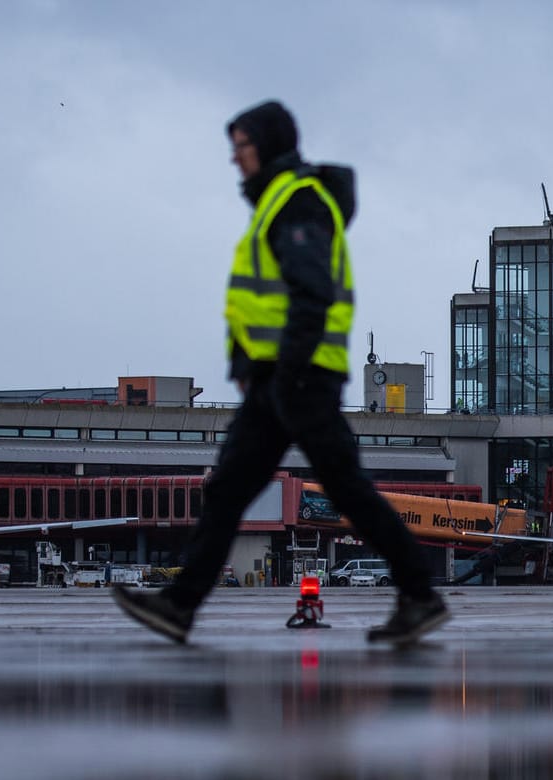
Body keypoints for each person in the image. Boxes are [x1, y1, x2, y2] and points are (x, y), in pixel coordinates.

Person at [112, 100, 448, 645]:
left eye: (240, 147)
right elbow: (262, 304)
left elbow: (311, 294)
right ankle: (178, 605)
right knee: (229, 491)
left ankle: (420, 594)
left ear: (265, 146)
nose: (234, 160)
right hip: (277, 380)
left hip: (300, 378)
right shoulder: (277, 204)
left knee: (345, 489)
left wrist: (285, 370)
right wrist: (249, 368)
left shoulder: (297, 204)